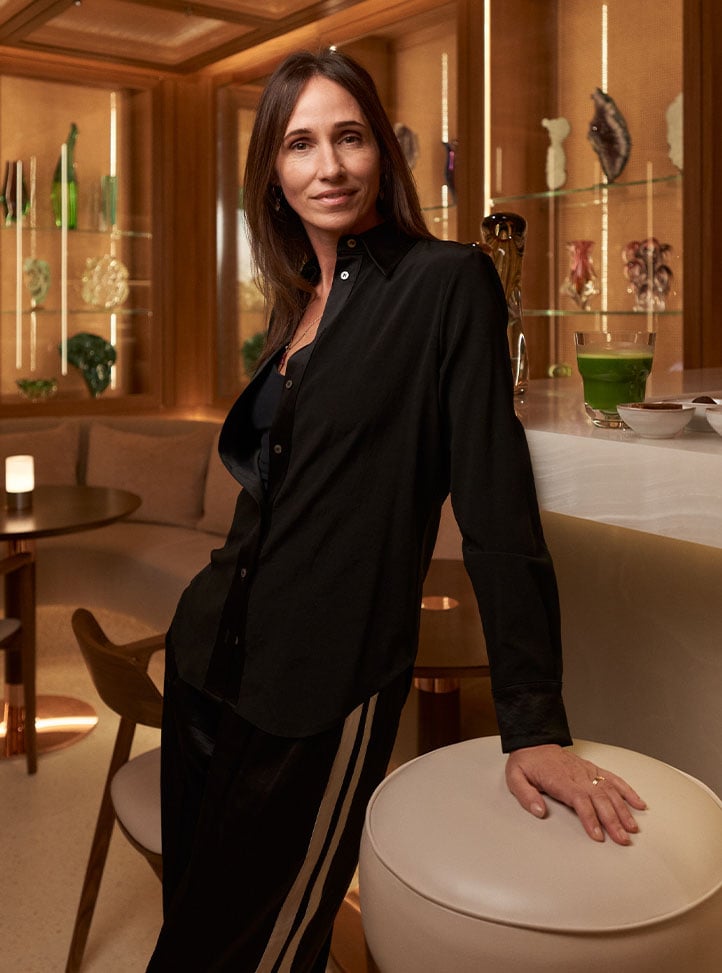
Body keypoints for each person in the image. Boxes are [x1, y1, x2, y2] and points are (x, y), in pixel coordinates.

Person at [147, 48, 646, 973]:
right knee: (190, 933)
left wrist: (533, 721)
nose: (327, 166)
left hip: (321, 687)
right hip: (208, 659)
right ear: (274, 170)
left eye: (349, 137)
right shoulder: (295, 302)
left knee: (261, 952)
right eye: (300, 144)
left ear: (382, 151)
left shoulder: (447, 284)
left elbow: (497, 512)